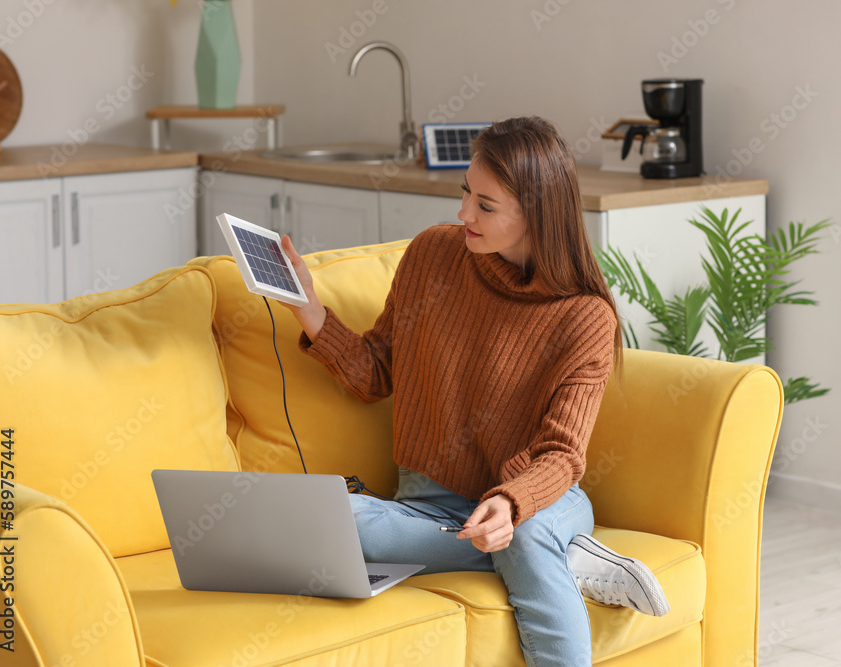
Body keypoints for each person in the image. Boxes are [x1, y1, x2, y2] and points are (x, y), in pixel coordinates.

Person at [279, 116, 668, 667]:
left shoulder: (584, 317)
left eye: (486, 206)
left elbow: (561, 456)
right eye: (466, 192)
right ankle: (573, 559)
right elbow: (376, 374)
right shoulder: (433, 255)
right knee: (322, 519)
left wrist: (511, 503)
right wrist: (309, 308)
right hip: (429, 505)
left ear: (538, 214)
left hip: (536, 499)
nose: (464, 213)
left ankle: (547, 545)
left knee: (526, 537)